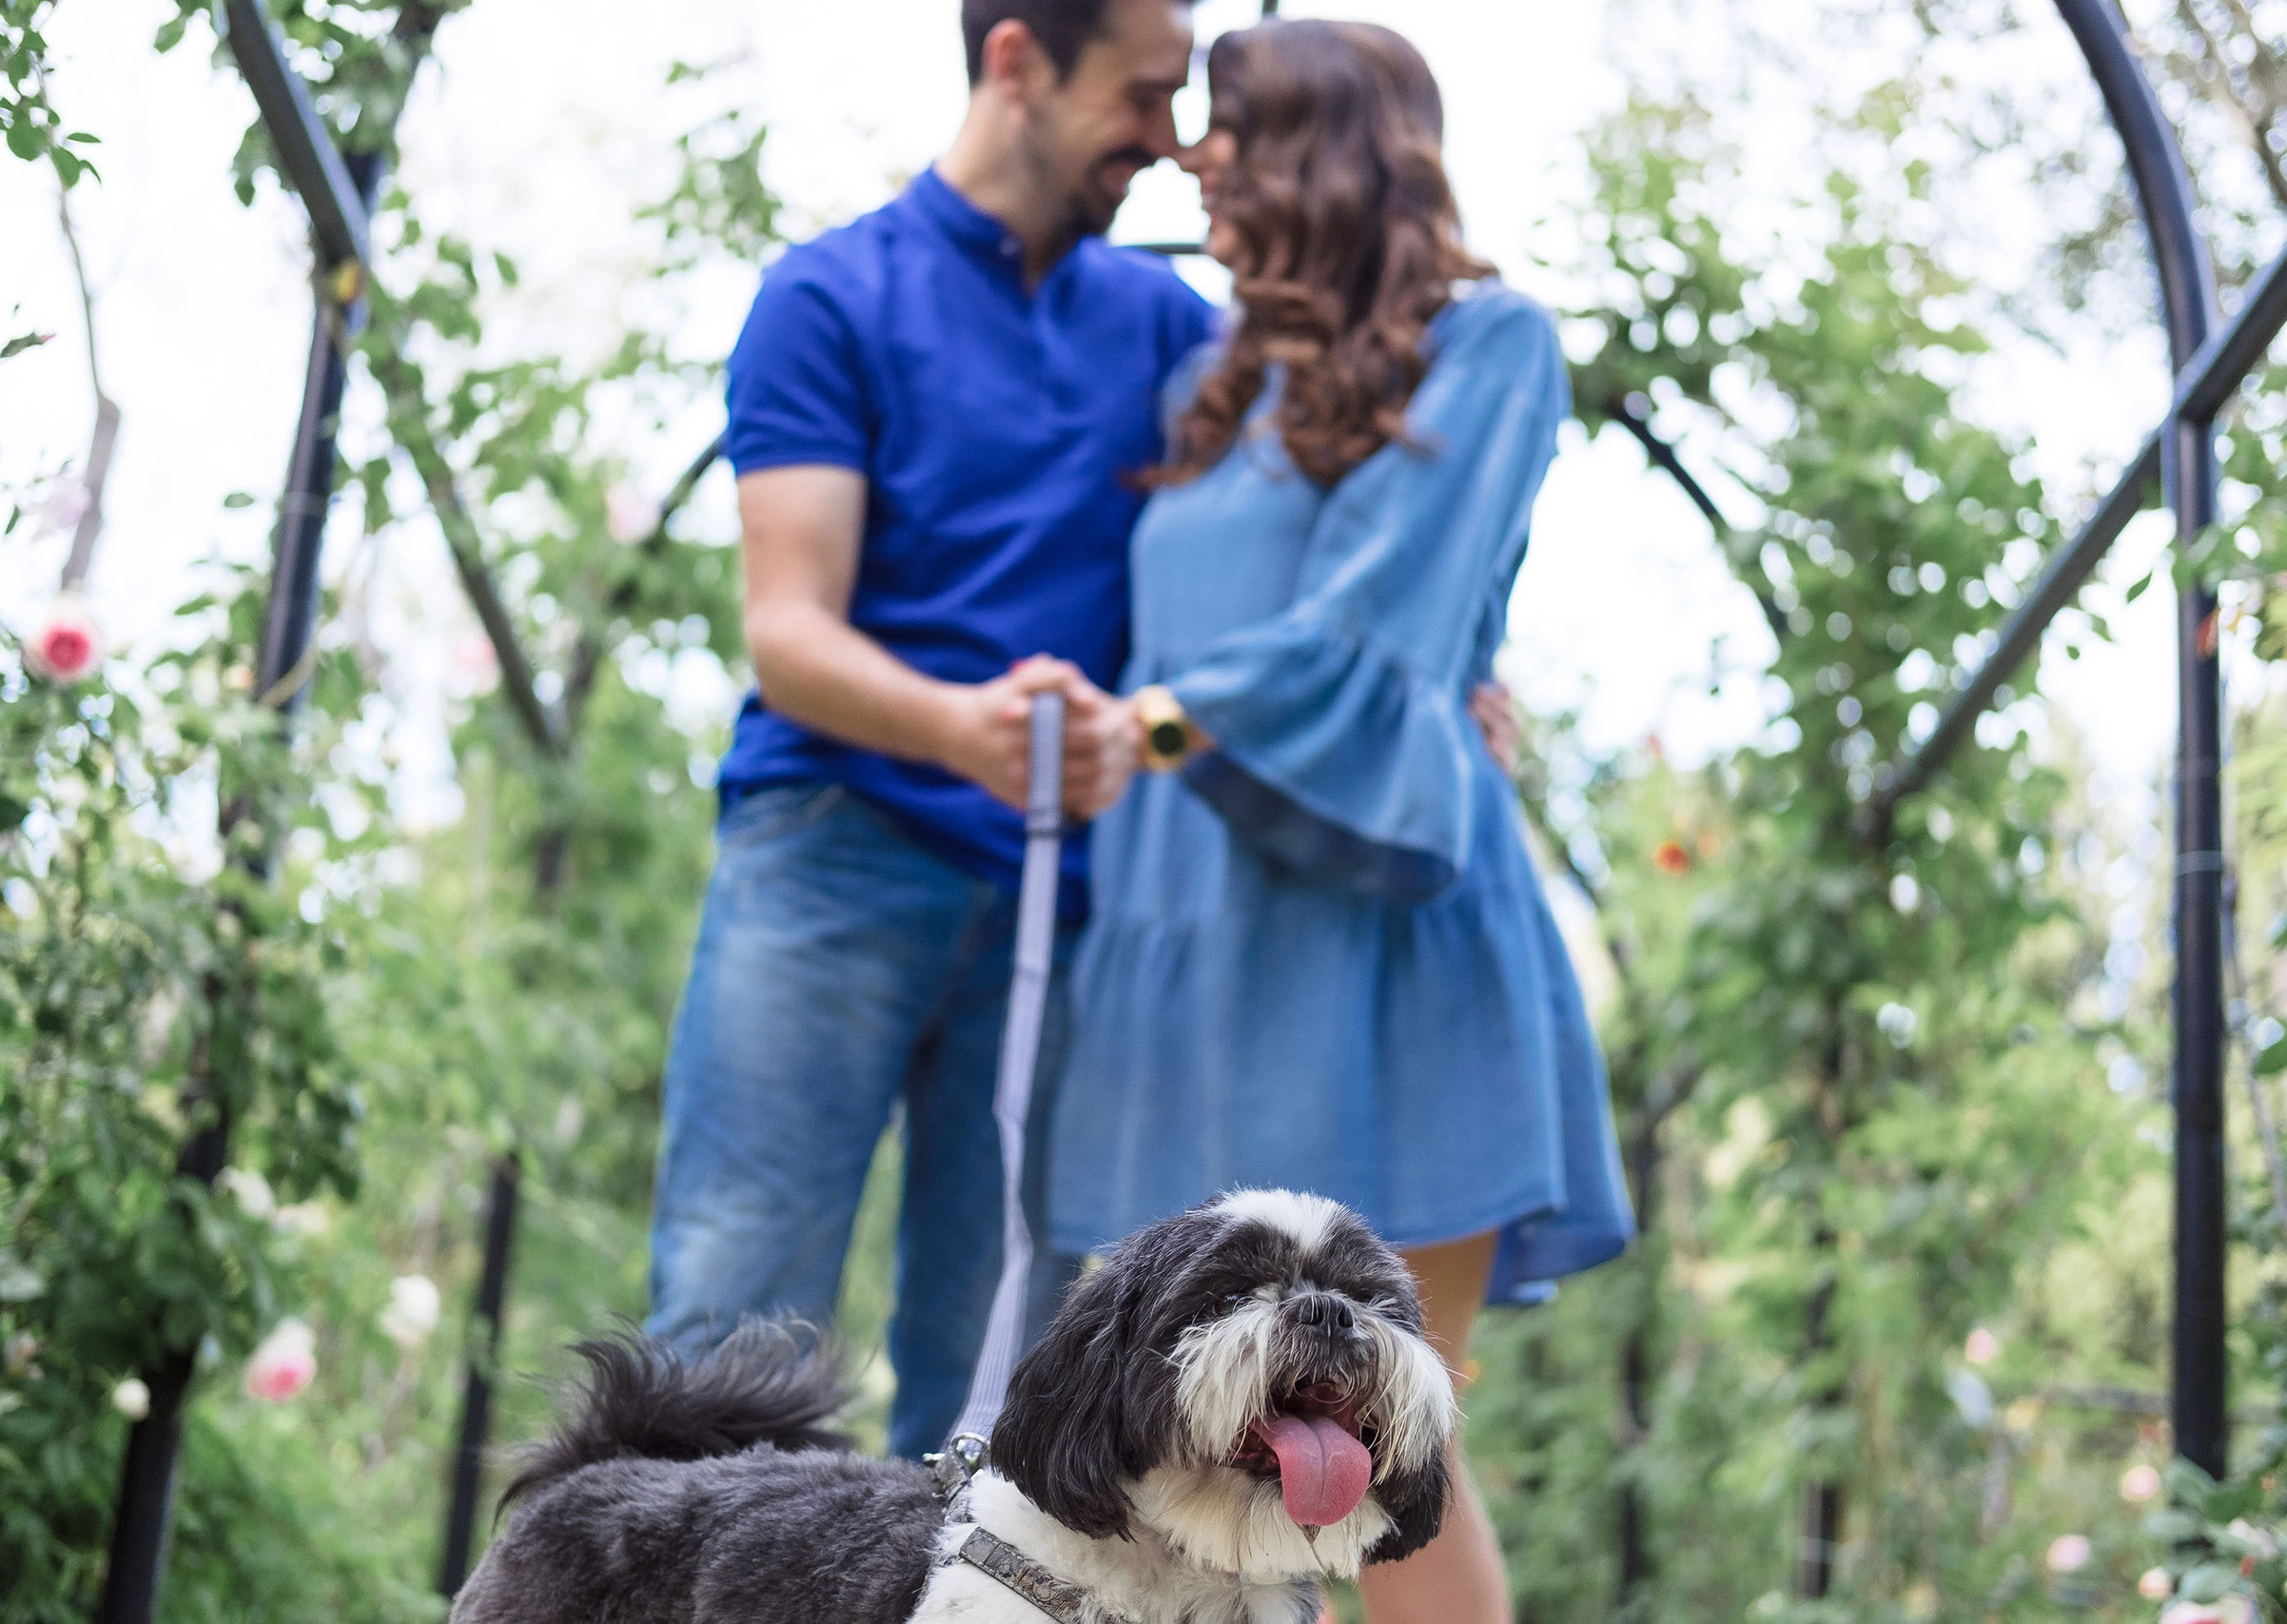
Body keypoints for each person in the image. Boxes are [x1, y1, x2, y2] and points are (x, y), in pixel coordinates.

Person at [1046, 20, 1635, 1624]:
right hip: (1180, 956)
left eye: (1224, 126)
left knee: (1391, 1472)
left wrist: (1160, 718)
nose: (1191, 156)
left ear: (1322, 144)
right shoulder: (1202, 383)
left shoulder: (1492, 344)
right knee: (1167, 1478)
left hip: (1388, 955)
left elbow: (1383, 624)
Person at [644, 0, 1208, 1462]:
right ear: (1016, 59)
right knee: (731, 1321)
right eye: (1142, 98)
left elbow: (1308, 515)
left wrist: (1457, 658)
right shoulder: (832, 298)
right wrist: (961, 729)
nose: (1169, 140)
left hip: (1060, 910)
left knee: (1011, 1375)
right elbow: (791, 632)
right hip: (829, 858)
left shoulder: (1165, 330)